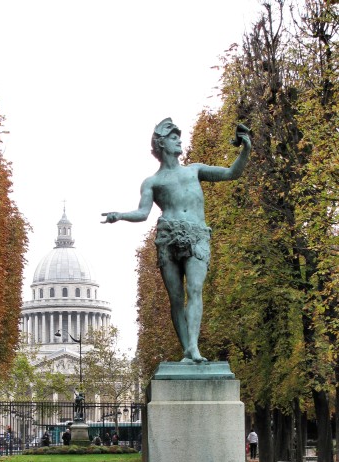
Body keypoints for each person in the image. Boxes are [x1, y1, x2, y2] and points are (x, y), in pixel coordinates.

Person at [102, 118, 251, 363]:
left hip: (196, 235)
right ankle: (188, 349)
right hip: (168, 236)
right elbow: (142, 213)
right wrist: (119, 215)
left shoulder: (195, 170)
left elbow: (231, 173)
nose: (179, 140)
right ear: (161, 144)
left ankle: (193, 346)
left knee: (194, 289)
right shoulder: (152, 182)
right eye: (173, 137)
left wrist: (246, 149)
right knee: (176, 298)